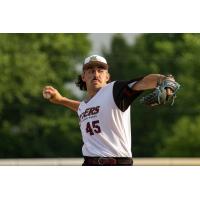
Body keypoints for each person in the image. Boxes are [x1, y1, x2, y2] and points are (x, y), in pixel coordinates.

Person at [43, 54, 175, 166]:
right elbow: (82, 108)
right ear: (83, 76)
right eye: (90, 70)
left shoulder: (114, 90)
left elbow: (143, 81)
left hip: (117, 163)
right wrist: (61, 100)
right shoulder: (85, 106)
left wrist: (163, 80)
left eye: (100, 70)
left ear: (107, 76)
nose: (96, 74)